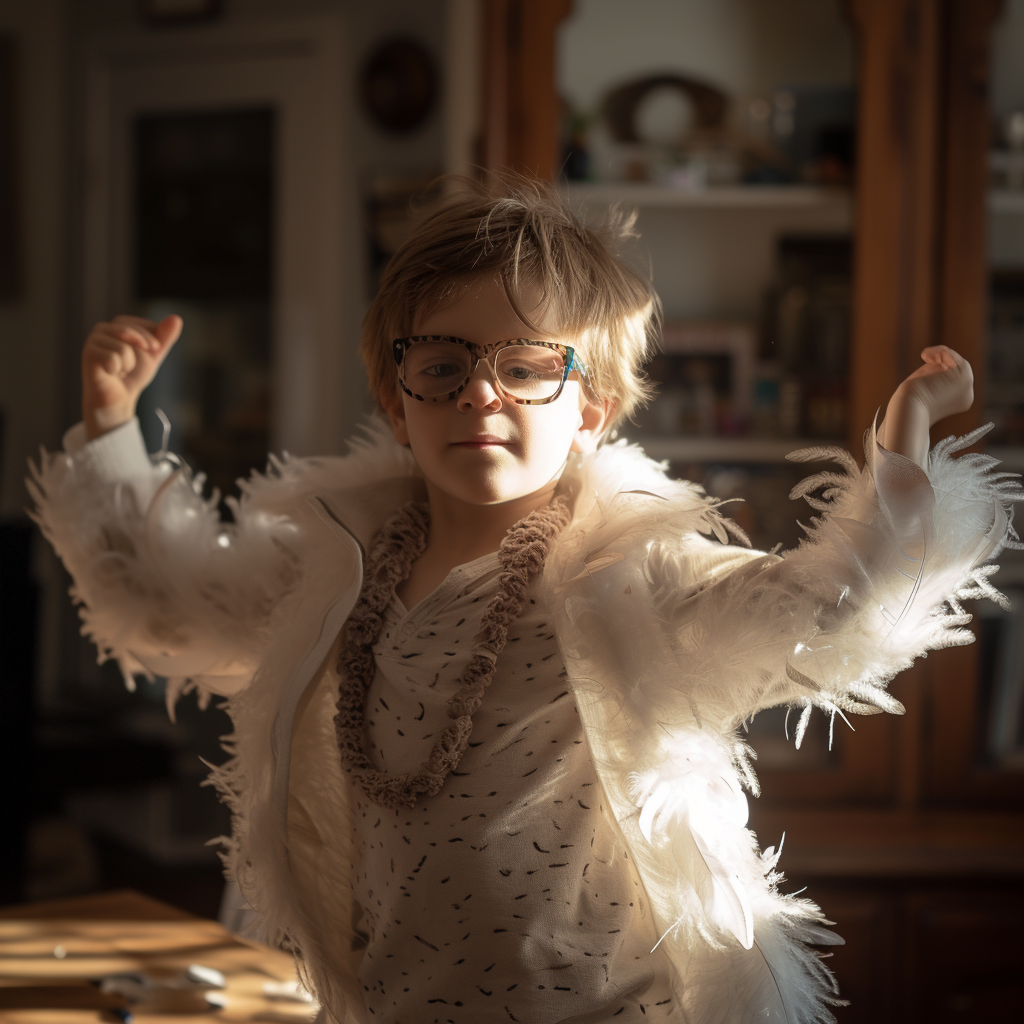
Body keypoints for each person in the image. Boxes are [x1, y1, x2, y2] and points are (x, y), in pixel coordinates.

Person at [30, 175, 1022, 1024]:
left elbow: (828, 616)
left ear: (590, 407)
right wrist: (113, 431)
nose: (479, 396)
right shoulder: (335, 567)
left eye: (526, 365)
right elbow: (165, 601)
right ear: (396, 395)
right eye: (442, 364)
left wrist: (901, 458)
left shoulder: (631, 574)